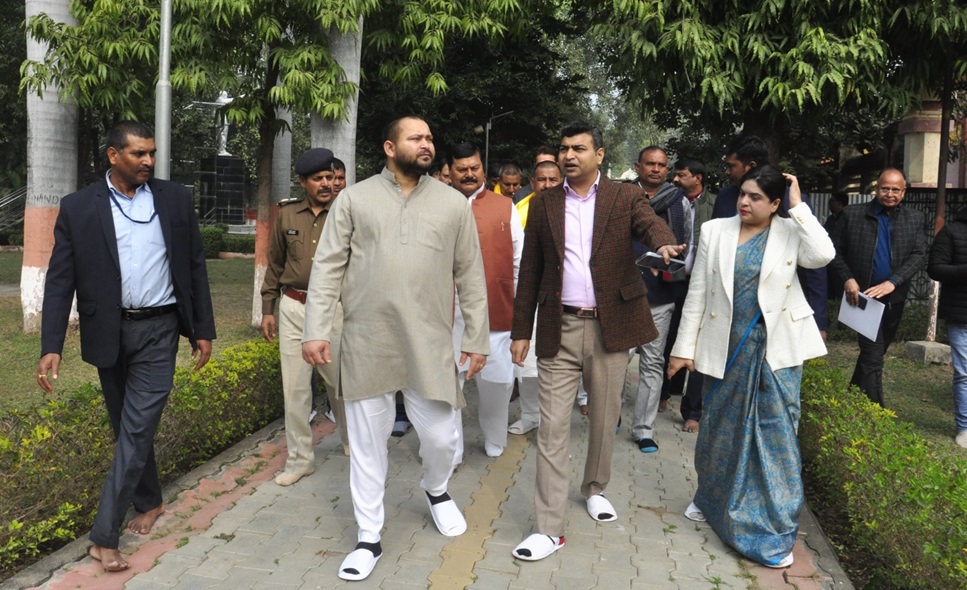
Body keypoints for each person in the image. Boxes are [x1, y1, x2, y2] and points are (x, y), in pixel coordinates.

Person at [301, 116, 489, 581]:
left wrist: (477, 338)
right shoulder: (355, 198)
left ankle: (437, 489)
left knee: (443, 437)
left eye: (430, 137)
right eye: (417, 137)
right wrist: (315, 330)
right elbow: (326, 269)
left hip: (429, 342)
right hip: (368, 340)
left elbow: (470, 274)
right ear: (390, 146)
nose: (427, 144)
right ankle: (369, 536)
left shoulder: (452, 204)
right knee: (368, 446)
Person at [37, 120, 216, 573]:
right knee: (128, 430)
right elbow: (61, 280)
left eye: (151, 153)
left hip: (160, 330)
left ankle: (104, 536)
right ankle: (151, 500)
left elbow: (194, 265)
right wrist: (51, 343)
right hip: (109, 333)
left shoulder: (174, 198)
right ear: (113, 156)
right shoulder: (79, 207)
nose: (148, 162)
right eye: (138, 154)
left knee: (136, 431)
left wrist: (202, 329)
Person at [509, 121, 682, 561]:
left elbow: (650, 224)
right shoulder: (545, 203)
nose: (569, 156)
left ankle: (594, 488)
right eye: (564, 149)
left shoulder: (624, 197)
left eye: (579, 148)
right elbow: (530, 270)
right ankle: (549, 528)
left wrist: (665, 245)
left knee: (604, 419)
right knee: (551, 429)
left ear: (599, 155)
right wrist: (519, 331)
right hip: (558, 326)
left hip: (611, 327)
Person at [668, 166, 835, 569]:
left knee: (775, 437)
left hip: (776, 352)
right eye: (743, 194)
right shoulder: (715, 231)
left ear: (775, 202)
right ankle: (710, 500)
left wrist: (799, 207)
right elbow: (698, 295)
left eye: (756, 197)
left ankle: (772, 529)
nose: (744, 202)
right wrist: (682, 347)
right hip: (725, 348)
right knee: (719, 430)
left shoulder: (791, 230)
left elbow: (822, 255)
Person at [261, 147, 350, 485]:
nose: (327, 183)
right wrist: (268, 307)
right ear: (303, 182)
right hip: (294, 307)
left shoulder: (346, 212)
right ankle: (299, 460)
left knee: (338, 384)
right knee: (295, 390)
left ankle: (353, 441)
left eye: (330, 177)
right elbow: (276, 264)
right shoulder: (287, 215)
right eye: (319, 179)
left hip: (333, 310)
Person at [630, 153, 714, 452]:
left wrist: (667, 263)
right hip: (623, 294)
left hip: (660, 295)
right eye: (649, 164)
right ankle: (608, 415)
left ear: (667, 170)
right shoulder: (621, 196)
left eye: (661, 165)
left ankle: (643, 429)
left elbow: (686, 245)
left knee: (653, 362)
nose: (656, 169)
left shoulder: (679, 202)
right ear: (638, 166)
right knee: (615, 361)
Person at [448, 143, 524, 458]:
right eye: (461, 169)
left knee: (498, 383)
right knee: (447, 388)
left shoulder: (504, 206)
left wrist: (521, 316)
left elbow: (520, 260)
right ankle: (450, 451)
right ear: (450, 171)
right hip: (447, 315)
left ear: (483, 168)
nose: (468, 174)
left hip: (496, 310)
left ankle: (495, 436)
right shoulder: (436, 204)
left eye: (474, 168)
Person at [713, 135, 828, 339]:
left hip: (777, 318)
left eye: (732, 166)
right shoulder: (724, 198)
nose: (727, 172)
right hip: (727, 315)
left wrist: (818, 320)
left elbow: (816, 267)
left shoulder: (793, 202)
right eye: (742, 196)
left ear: (751, 166)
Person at [829, 168, 927, 406]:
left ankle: (853, 393)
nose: (890, 194)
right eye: (885, 188)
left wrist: (892, 282)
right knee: (874, 355)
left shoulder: (914, 218)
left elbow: (919, 254)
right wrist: (848, 279)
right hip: (861, 298)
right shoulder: (853, 215)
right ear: (876, 189)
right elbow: (832, 251)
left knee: (877, 351)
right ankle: (877, 412)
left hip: (895, 298)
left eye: (896, 189)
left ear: (903, 192)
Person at [509, 160, 563, 436]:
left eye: (553, 180)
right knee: (526, 365)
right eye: (541, 180)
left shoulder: (571, 209)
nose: (547, 185)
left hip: (561, 299)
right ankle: (530, 415)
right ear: (532, 182)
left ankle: (552, 423)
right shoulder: (519, 210)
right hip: (528, 295)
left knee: (557, 365)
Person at [928, 207, 967, 448]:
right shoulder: (952, 231)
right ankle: (964, 428)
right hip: (961, 314)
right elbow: (934, 268)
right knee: (964, 374)